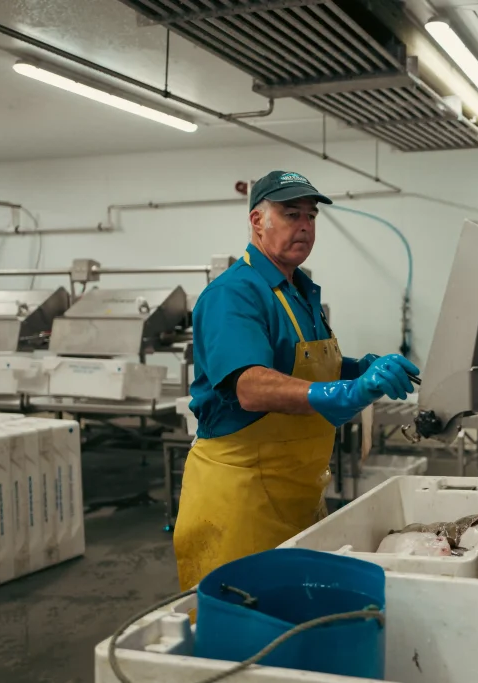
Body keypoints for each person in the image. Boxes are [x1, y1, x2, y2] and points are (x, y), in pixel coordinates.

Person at [174, 170, 419, 590]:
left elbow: (313, 366)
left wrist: (364, 371)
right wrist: (338, 392)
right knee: (241, 636)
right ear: (257, 221)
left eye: (310, 216)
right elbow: (249, 386)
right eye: (291, 214)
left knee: (293, 627)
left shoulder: (301, 291)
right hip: (241, 501)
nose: (304, 225)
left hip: (298, 493)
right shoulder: (235, 293)